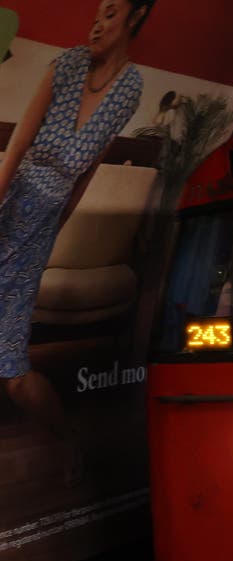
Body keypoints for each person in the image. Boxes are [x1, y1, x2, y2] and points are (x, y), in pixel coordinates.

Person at [0, 0, 151, 436]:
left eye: (110, 14)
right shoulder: (66, 65)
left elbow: (88, 170)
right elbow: (18, 145)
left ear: (136, 16)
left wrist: (53, 232)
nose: (98, 26)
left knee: (13, 374)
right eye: (95, 17)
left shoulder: (129, 89)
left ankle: (65, 445)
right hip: (9, 204)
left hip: (36, 237)